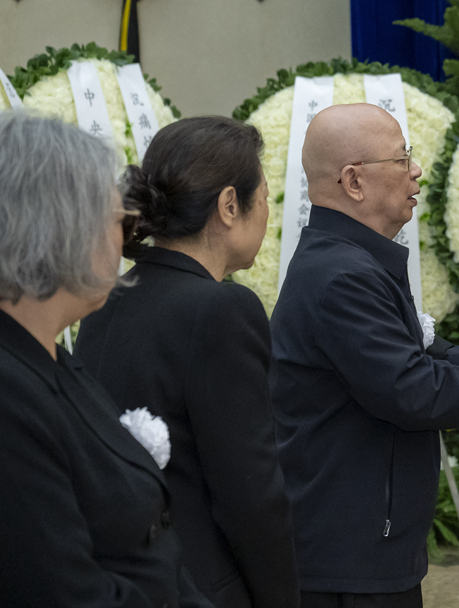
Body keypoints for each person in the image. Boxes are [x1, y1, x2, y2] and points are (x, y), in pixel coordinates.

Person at [270, 103, 459, 608]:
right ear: (354, 181)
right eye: (401, 158)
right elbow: (416, 391)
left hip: (359, 546)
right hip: (348, 557)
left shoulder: (350, 260)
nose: (417, 170)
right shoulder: (342, 277)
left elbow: (423, 355)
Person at [75, 116, 300, 608]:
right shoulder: (222, 308)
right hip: (203, 585)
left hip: (128, 574)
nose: (268, 213)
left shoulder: (108, 296)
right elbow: (250, 492)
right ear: (229, 205)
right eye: (265, 198)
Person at [0, 111, 213, 607]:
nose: (126, 239)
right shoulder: (10, 393)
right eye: (122, 220)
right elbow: (62, 592)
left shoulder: (51, 359)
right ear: (64, 226)